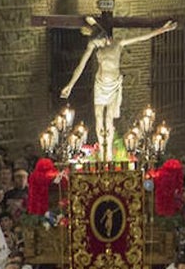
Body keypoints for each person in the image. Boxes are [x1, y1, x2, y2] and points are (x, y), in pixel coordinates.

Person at [60, 17, 178, 161]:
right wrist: (70, 85)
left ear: (105, 38)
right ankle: (101, 150)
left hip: (113, 85)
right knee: (99, 117)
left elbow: (141, 37)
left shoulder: (118, 43)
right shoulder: (93, 45)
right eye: (96, 43)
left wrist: (163, 29)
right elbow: (81, 65)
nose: (98, 45)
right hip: (100, 84)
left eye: (99, 42)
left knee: (109, 118)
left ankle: (108, 151)